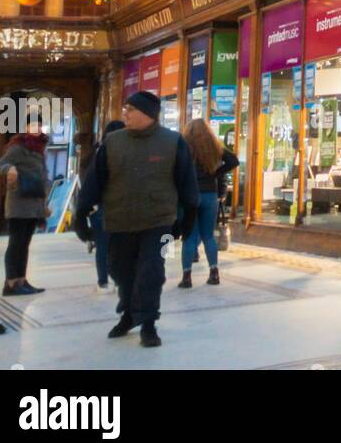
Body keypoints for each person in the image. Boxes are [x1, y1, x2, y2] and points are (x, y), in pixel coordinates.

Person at [74, 92, 198, 348]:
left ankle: (149, 322)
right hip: (119, 221)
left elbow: (187, 183)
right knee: (120, 270)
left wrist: (187, 219)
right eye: (124, 109)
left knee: (153, 271)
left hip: (161, 223)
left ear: (147, 113)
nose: (125, 114)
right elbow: (94, 181)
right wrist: (81, 215)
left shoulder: (173, 142)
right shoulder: (112, 142)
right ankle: (130, 313)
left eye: (130, 109)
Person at [0, 112, 50, 297]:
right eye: (33, 125)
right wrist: (10, 168)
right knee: (16, 244)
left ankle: (21, 281)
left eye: (39, 125)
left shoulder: (39, 148)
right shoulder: (17, 147)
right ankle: (10, 284)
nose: (37, 129)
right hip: (18, 205)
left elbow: (41, 178)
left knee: (24, 244)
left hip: (34, 205)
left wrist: (44, 205)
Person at [178, 119, 238, 289]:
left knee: (189, 237)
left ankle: (187, 277)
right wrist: (215, 174)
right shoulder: (214, 147)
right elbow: (233, 161)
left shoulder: (183, 147)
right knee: (208, 236)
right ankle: (214, 274)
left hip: (190, 196)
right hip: (210, 195)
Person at [81, 120, 125, 293]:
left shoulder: (97, 151)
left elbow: (87, 179)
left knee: (103, 244)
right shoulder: (113, 153)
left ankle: (104, 282)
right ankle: (111, 280)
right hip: (109, 205)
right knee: (112, 245)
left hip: (100, 206)